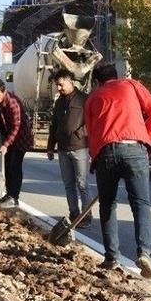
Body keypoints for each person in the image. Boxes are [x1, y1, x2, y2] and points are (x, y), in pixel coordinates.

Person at [84, 63, 151, 279]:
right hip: (134, 148)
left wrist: (96, 160)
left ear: (97, 81)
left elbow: (92, 133)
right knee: (140, 203)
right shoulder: (132, 86)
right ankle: (144, 252)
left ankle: (111, 257)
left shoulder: (93, 98)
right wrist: (146, 139)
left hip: (106, 152)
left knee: (108, 205)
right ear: (116, 76)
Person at [46, 69, 92, 228]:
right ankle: (74, 213)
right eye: (57, 85)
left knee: (82, 183)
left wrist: (80, 134)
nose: (59, 88)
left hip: (79, 148)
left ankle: (86, 217)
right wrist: (50, 147)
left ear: (70, 81)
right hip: (63, 149)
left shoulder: (84, 99)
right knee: (68, 184)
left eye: (61, 84)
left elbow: (92, 122)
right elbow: (54, 125)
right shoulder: (59, 103)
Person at [0, 78, 34, 209]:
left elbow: (16, 127)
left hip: (21, 138)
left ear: (4, 92)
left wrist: (6, 144)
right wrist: (3, 141)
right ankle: (8, 195)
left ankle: (14, 198)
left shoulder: (13, 103)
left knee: (15, 166)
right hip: (9, 137)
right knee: (7, 166)